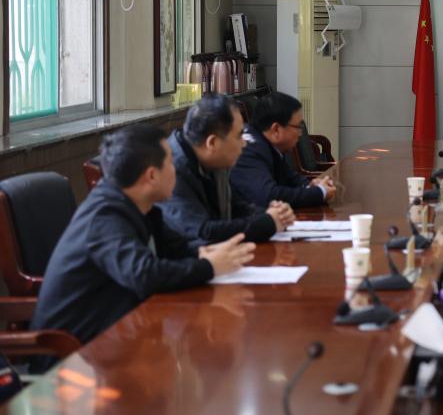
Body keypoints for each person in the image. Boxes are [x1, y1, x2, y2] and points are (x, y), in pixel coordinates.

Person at [30, 125, 255, 347]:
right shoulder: (105, 216)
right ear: (151, 176)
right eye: (170, 163)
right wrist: (209, 266)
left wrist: (204, 252)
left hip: (115, 337)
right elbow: (144, 275)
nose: (175, 169)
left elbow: (176, 248)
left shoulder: (138, 205)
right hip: (72, 352)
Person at [160, 94, 294, 248]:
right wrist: (268, 223)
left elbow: (236, 207)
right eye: (239, 136)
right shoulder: (171, 170)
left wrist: (272, 214)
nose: (244, 144)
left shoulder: (214, 158)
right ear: (212, 142)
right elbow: (203, 232)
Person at [229, 92, 336, 208]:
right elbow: (268, 196)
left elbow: (290, 178)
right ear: (276, 130)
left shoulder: (267, 144)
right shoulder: (249, 149)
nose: (300, 134)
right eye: (298, 127)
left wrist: (310, 185)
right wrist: (320, 192)